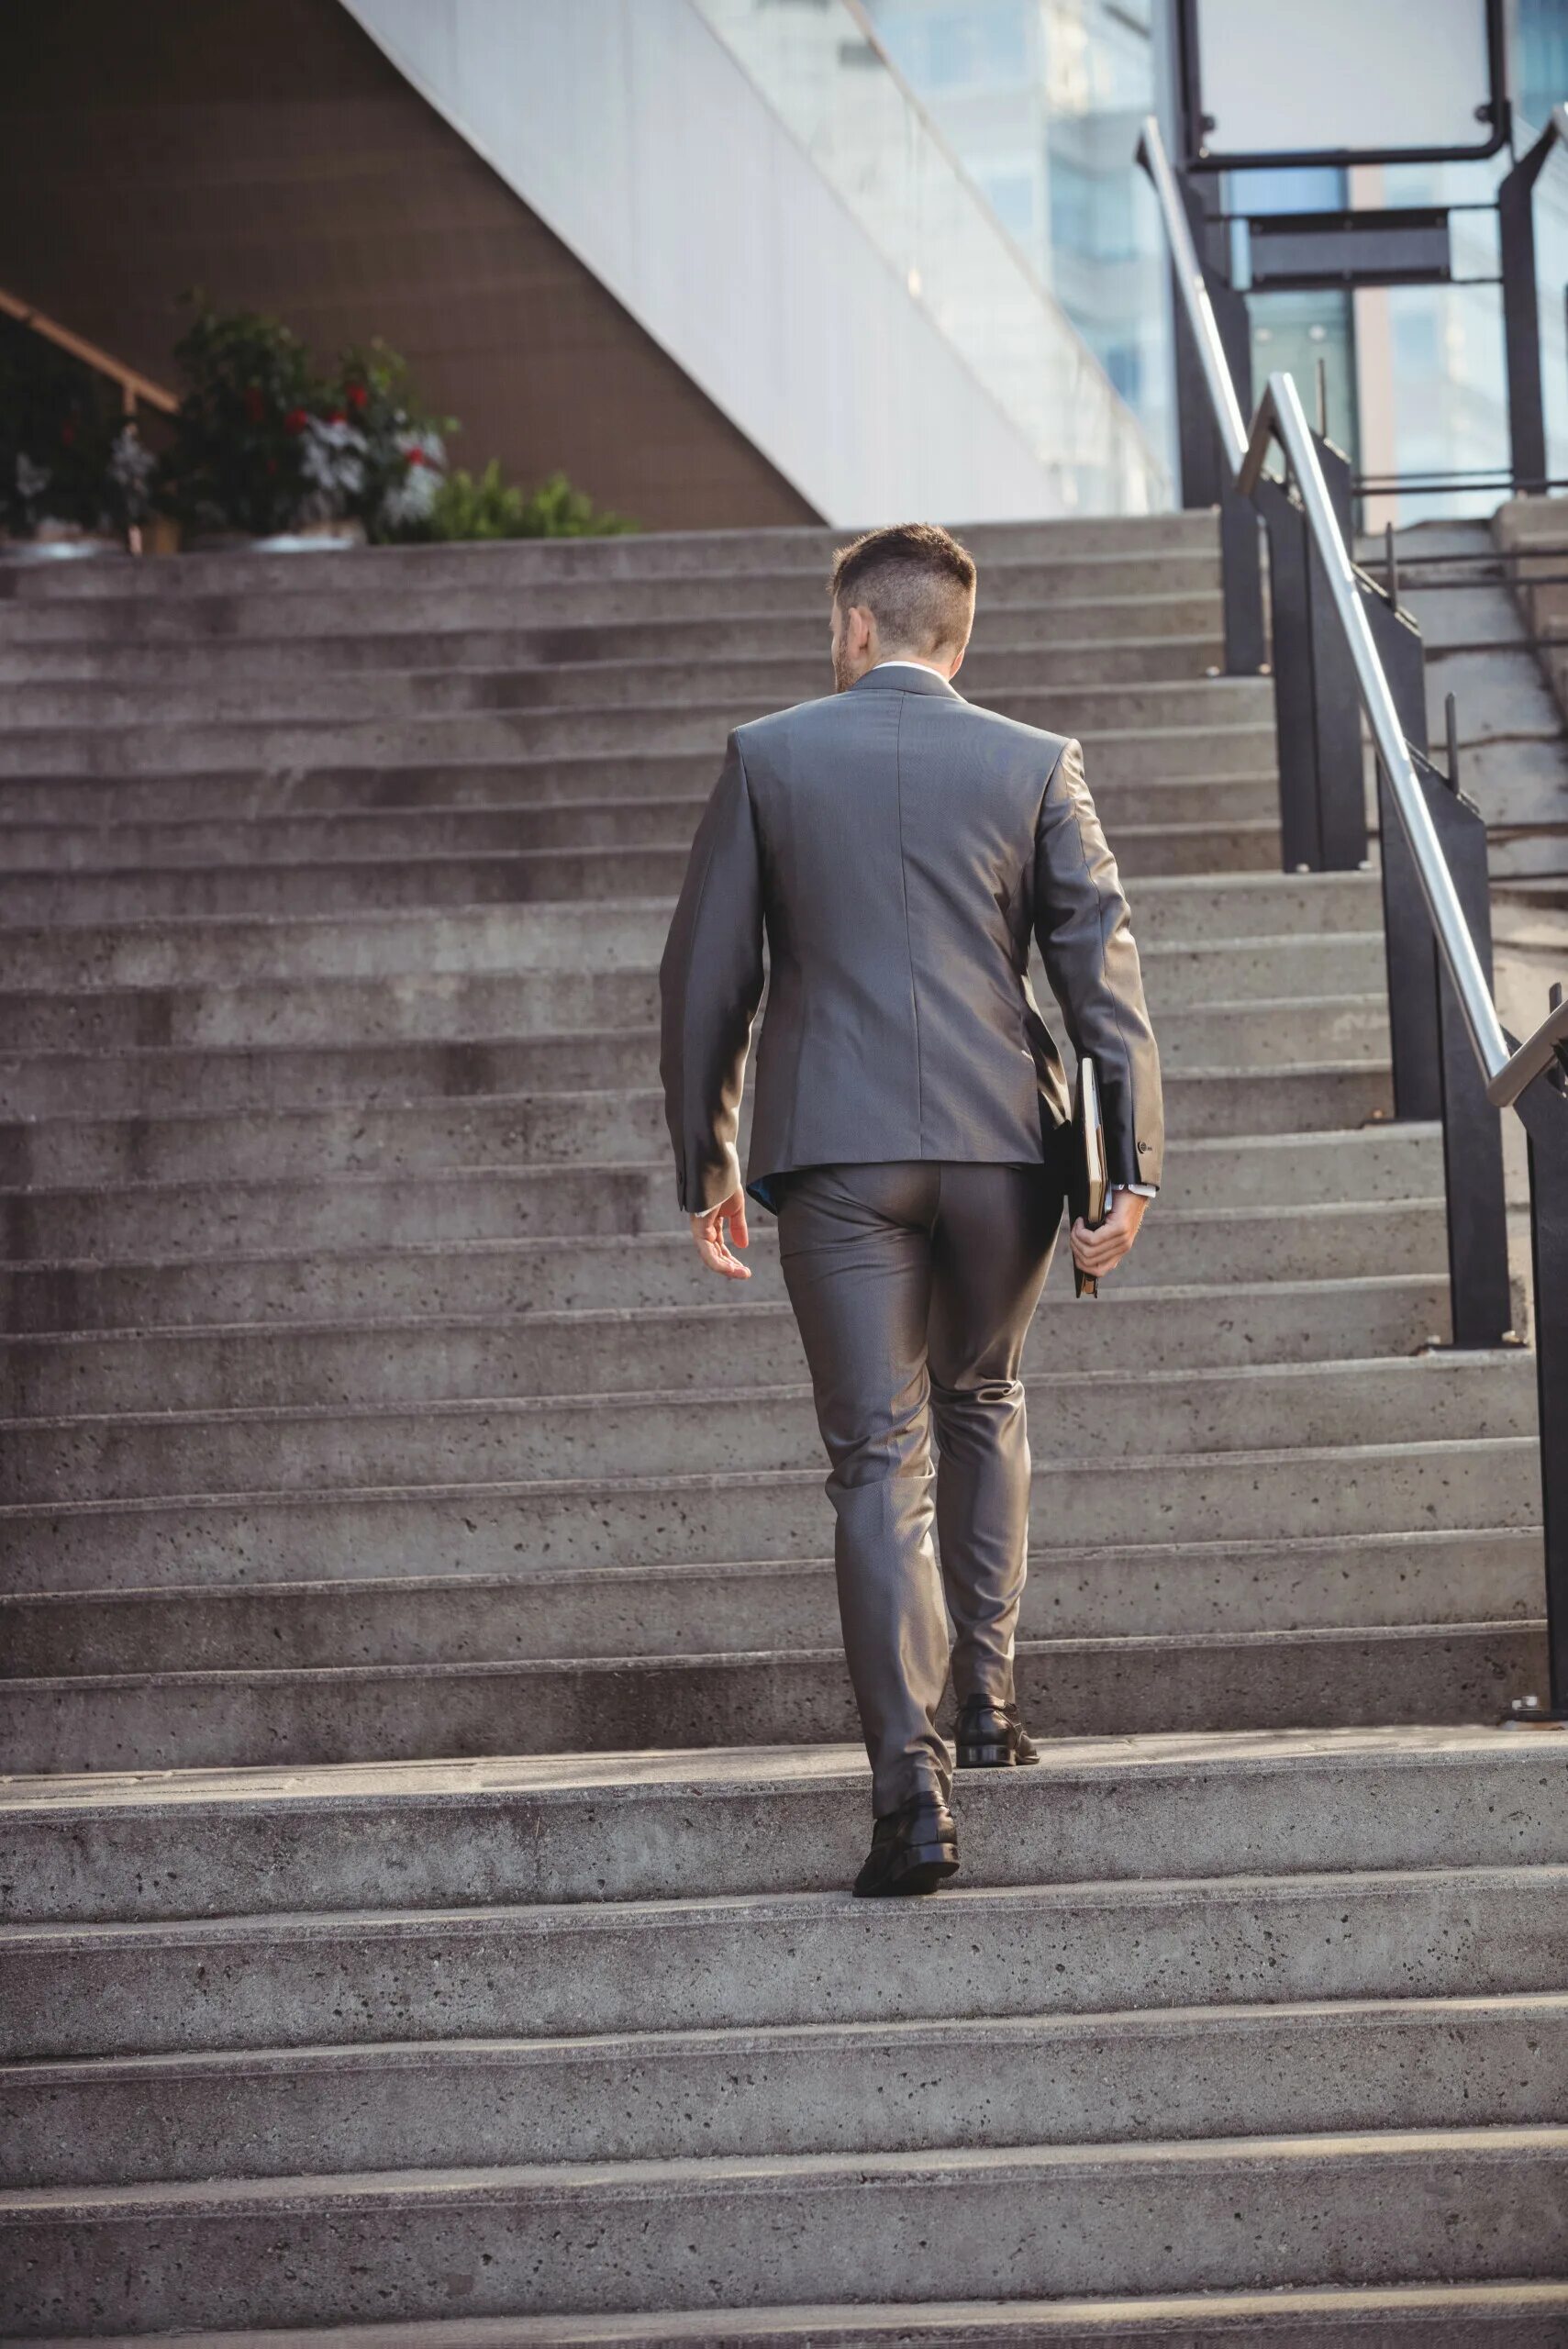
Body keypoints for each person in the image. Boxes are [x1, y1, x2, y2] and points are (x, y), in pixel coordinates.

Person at [659, 522, 1162, 1897]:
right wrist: (1128, 1168)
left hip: (838, 1149)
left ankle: (910, 1799)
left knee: (877, 1459)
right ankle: (989, 1710)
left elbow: (706, 976)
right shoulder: (1034, 761)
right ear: (959, 637)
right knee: (982, 1400)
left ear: (854, 630)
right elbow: (1097, 976)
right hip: (1006, 1151)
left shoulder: (769, 755)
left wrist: (706, 1161)